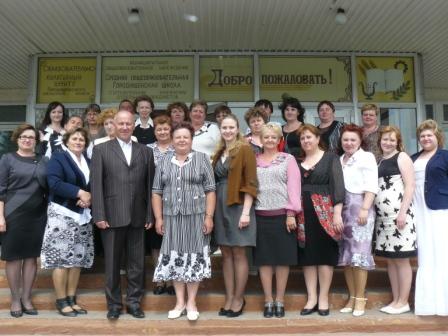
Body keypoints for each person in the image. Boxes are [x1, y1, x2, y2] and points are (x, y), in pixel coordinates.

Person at [91, 110, 155, 320]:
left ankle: (134, 302)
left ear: (134, 125)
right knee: (111, 264)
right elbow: (96, 185)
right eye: (121, 124)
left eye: (129, 123)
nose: (125, 127)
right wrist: (99, 213)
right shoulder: (101, 149)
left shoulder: (145, 151)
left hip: (138, 216)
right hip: (110, 216)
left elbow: (149, 186)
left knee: (137, 264)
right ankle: (114, 305)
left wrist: (149, 215)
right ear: (114, 125)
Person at [152, 122, 216, 321]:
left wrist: (209, 216)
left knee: (194, 259)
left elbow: (210, 190)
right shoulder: (163, 161)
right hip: (171, 218)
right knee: (176, 258)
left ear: (191, 139)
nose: (181, 140)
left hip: (196, 217)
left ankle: (192, 302)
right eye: (178, 137)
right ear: (172, 139)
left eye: (185, 137)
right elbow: (156, 191)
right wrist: (159, 218)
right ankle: (179, 302)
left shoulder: (202, 159)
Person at [40, 128, 94, 317]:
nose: (79, 141)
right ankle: (61, 300)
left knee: (77, 259)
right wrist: (79, 193)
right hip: (61, 214)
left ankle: (71, 298)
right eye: (75, 138)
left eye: (82, 139)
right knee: (62, 260)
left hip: (82, 214)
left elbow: (91, 185)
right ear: (67, 141)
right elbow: (53, 182)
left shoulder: (88, 161)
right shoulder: (59, 158)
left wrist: (88, 197)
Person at [0, 124, 48, 318]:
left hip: (38, 215)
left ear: (36, 141)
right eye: (24, 137)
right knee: (13, 258)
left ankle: (27, 298)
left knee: (30, 258)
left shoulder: (44, 160)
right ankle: (14, 299)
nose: (27, 140)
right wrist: (0, 216)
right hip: (13, 214)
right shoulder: (7, 159)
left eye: (31, 137)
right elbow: (0, 190)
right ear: (17, 139)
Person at [212, 114, 258, 318]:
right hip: (219, 207)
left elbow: (251, 182)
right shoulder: (219, 151)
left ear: (237, 128)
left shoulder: (245, 149)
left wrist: (246, 212)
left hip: (239, 206)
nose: (228, 131)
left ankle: (239, 298)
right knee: (226, 255)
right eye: (224, 127)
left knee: (239, 253)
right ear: (220, 130)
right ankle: (229, 297)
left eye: (231, 127)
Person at [297, 124, 344, 316]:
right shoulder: (297, 160)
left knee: (325, 256)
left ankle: (323, 297)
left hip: (325, 213)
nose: (306, 141)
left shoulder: (330, 158)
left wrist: (337, 213)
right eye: (302, 138)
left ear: (318, 139)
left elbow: (338, 186)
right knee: (308, 257)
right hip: (302, 214)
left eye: (309, 137)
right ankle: (311, 298)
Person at [254, 123, 301, 318]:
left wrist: (291, 213)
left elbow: (294, 187)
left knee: (282, 261)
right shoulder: (254, 160)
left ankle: (280, 300)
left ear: (279, 139)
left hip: (283, 217)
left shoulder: (288, 159)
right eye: (266, 137)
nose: (270, 140)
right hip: (259, 216)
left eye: (274, 137)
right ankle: (268, 300)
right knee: (264, 261)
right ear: (261, 140)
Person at [375, 126, 416, 315]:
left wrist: (402, 213)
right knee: (391, 261)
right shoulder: (380, 160)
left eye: (392, 140)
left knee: (402, 260)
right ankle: (396, 300)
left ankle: (404, 301)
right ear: (380, 141)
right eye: (385, 139)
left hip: (399, 217)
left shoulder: (402, 158)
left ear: (397, 142)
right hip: (384, 219)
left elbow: (410, 186)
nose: (388, 142)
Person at [338, 124, 378, 317]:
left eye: (353, 139)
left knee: (359, 255)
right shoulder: (341, 159)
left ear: (360, 141)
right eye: (345, 139)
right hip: (343, 208)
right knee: (347, 256)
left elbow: (372, 185)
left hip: (360, 207)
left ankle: (361, 299)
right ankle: (352, 297)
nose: (349, 143)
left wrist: (364, 208)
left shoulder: (366, 157)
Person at [411, 119, 448, 316]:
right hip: (417, 210)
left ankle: (444, 304)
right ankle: (427, 303)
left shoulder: (445, 157)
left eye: (429, 135)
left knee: (442, 253)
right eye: (422, 136)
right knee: (425, 254)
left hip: (440, 210)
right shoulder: (413, 157)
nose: (425, 138)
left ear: (437, 137)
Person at [147, 115, 175, 296]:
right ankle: (160, 280)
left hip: (175, 202)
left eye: (166, 129)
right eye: (159, 129)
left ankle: (172, 280)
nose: (163, 132)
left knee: (173, 242)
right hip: (154, 200)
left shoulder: (179, 147)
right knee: (156, 243)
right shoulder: (147, 150)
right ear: (154, 131)